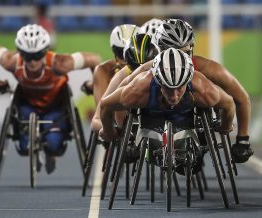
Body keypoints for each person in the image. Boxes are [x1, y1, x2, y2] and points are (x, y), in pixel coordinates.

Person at [0, 24, 101, 174]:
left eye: (37, 56)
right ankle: (35, 147)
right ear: (20, 53)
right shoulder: (11, 61)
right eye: (27, 56)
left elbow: (95, 60)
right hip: (28, 105)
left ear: (45, 52)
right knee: (25, 148)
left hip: (56, 106)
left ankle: (51, 154)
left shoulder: (59, 64)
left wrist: (93, 83)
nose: (33, 62)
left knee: (54, 146)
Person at [155, 19, 253, 163]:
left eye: (184, 54)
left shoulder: (209, 68)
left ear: (192, 48)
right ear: (158, 52)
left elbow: (241, 98)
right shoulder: (146, 72)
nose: (177, 61)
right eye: (171, 54)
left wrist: (242, 139)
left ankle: (199, 137)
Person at [99, 48, 235, 148]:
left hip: (186, 121)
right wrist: (109, 131)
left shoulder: (203, 89)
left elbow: (229, 104)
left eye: (179, 88)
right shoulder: (138, 90)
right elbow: (105, 105)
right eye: (169, 89)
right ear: (158, 82)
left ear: (187, 82)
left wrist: (225, 127)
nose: (174, 95)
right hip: (150, 120)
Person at [91, 33, 160, 132]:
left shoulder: (164, 70)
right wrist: (109, 130)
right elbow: (96, 119)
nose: (140, 75)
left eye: (146, 70)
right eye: (135, 69)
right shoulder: (120, 77)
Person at [91, 24, 139, 131]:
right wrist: (110, 130)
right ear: (115, 54)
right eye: (121, 53)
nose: (127, 60)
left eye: (131, 53)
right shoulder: (104, 71)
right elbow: (98, 119)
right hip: (114, 128)